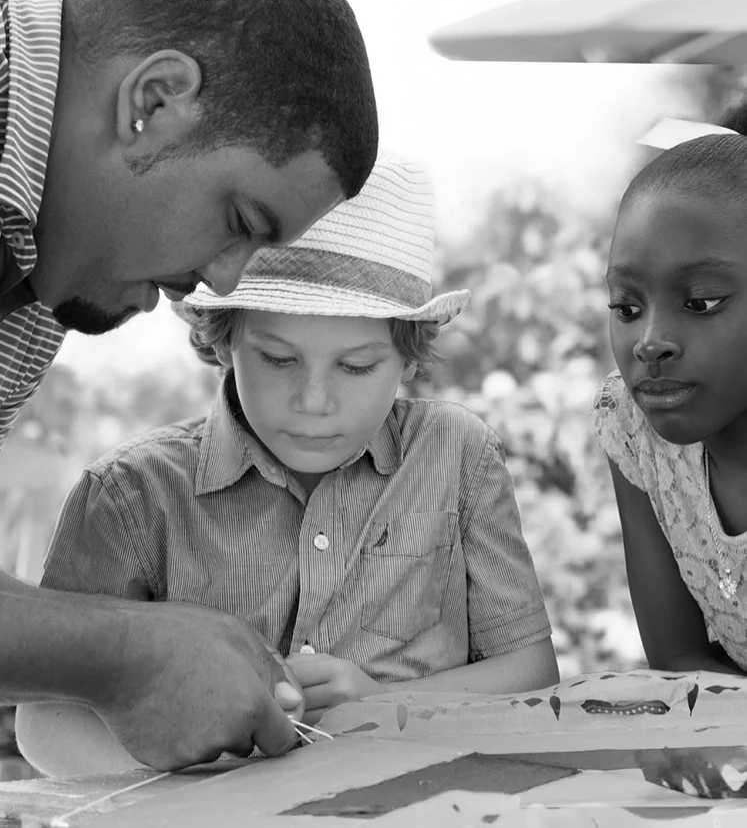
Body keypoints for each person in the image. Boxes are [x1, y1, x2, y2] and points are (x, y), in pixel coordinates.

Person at [16, 150, 558, 776]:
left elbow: (532, 674)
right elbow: (46, 724)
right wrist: (216, 780)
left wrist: (383, 705)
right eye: (277, 359)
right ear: (224, 339)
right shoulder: (130, 494)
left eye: (356, 367)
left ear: (408, 357)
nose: (313, 401)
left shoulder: (457, 455)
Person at [0, 0, 378, 769]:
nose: (218, 280)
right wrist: (123, 653)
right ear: (155, 101)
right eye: (241, 221)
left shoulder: (41, 276)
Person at [592, 114, 747, 677]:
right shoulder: (637, 432)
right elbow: (678, 659)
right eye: (627, 309)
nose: (650, 341)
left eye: (701, 301)